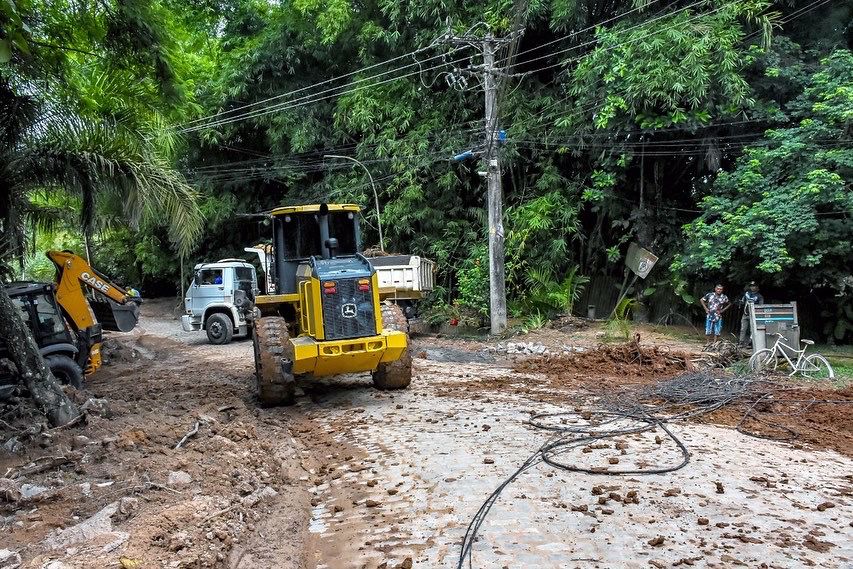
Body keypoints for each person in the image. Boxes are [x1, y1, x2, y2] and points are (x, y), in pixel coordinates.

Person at [738, 281, 764, 346]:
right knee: (743, 329)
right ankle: (741, 342)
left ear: (757, 287)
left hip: (754, 315)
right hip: (745, 314)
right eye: (751, 286)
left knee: (752, 330)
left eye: (754, 286)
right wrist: (740, 302)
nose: (752, 287)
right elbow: (743, 301)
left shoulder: (759, 296)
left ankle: (751, 343)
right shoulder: (747, 293)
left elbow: (761, 306)